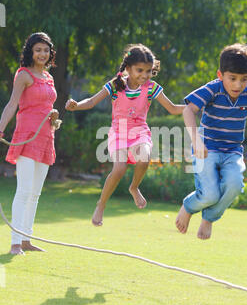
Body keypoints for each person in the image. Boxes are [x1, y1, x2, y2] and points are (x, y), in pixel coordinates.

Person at [176, 43, 247, 240]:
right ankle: (188, 206)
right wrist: (197, 142)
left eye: (243, 79)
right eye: (232, 79)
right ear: (221, 75)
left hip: (233, 151)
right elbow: (188, 110)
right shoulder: (213, 89)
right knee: (210, 195)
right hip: (207, 148)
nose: (238, 85)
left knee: (235, 185)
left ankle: (209, 218)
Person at [65, 43, 184, 226]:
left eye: (148, 71)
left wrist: (195, 106)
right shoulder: (115, 85)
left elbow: (173, 108)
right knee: (119, 169)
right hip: (119, 132)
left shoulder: (152, 88)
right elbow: (92, 101)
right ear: (128, 68)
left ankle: (134, 187)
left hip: (140, 131)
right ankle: (101, 205)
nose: (144, 75)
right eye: (140, 70)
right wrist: (77, 105)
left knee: (144, 159)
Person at [0, 32, 59, 255]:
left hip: (46, 137)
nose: (42, 54)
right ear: (30, 52)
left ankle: (26, 239)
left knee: (35, 193)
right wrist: (1, 127)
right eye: (38, 50)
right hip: (26, 136)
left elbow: (45, 105)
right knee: (23, 191)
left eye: (46, 50)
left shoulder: (49, 77)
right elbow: (12, 103)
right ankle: (15, 243)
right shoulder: (23, 75)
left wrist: (54, 116)